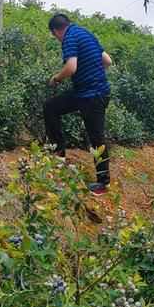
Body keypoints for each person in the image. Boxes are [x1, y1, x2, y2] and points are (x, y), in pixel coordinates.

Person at [44, 13, 113, 195]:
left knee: (96, 138)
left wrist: (56, 78)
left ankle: (103, 183)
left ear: (57, 31)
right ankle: (58, 154)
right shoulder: (86, 34)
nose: (56, 39)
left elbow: (71, 67)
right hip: (84, 93)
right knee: (51, 107)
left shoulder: (69, 38)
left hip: (93, 96)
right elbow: (107, 61)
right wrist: (92, 75)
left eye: (54, 35)